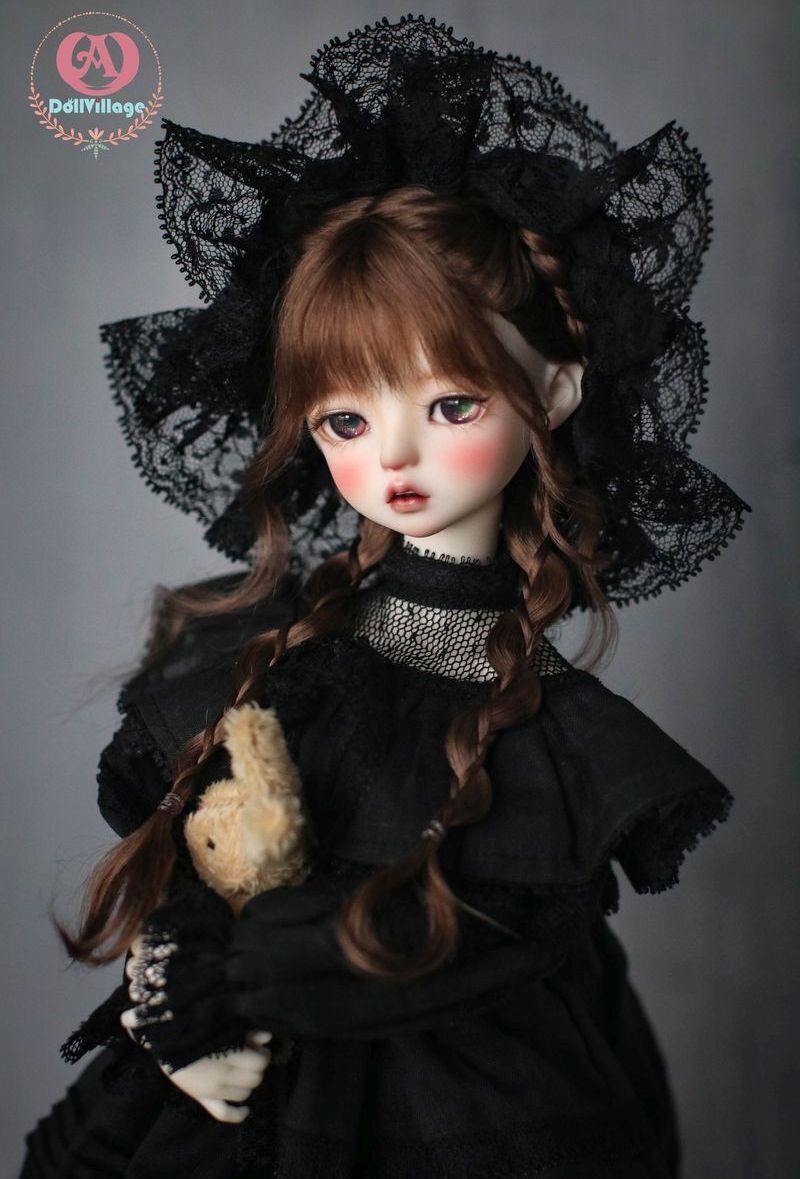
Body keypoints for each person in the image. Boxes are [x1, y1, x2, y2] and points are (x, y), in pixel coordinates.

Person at [21, 15, 750, 1178]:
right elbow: (194, 865)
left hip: (468, 1108)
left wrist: (240, 987)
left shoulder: (553, 735)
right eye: (345, 420)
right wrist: (175, 1012)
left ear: (556, 390)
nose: (394, 455)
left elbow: (490, 937)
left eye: (451, 404)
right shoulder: (283, 654)